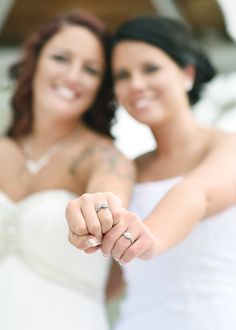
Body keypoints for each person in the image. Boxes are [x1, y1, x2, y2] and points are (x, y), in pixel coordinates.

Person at [66, 16, 236, 330]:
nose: (137, 85)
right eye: (122, 75)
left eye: (150, 68)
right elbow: (116, 275)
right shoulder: (130, 167)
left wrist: (150, 237)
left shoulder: (228, 146)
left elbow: (196, 193)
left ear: (187, 73)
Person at [0, 10, 135, 330]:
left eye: (90, 69)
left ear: (101, 87)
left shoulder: (102, 155)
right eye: (61, 58)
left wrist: (104, 205)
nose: (73, 76)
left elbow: (112, 184)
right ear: (35, 64)